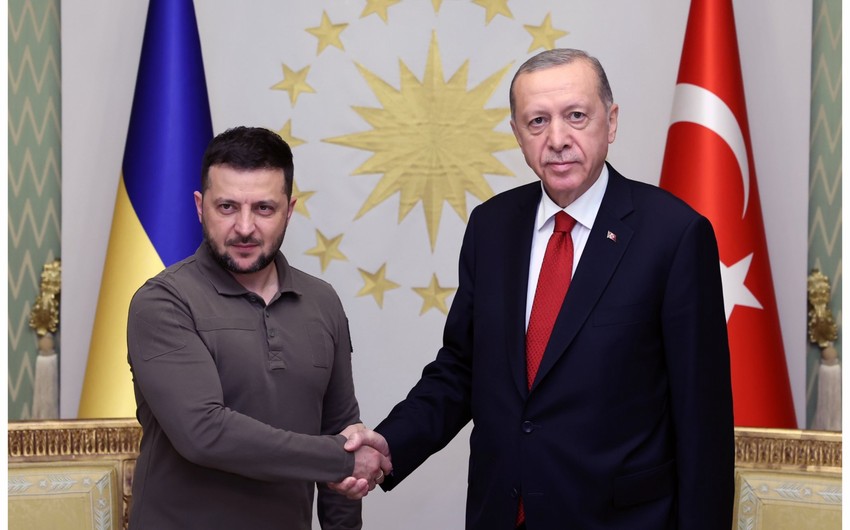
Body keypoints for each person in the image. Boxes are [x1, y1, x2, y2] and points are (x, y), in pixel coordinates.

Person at [336, 48, 735, 528]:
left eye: (576, 116)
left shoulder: (673, 235)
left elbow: (702, 419)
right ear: (517, 134)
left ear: (610, 122)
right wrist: (390, 444)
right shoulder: (491, 227)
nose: (557, 139)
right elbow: (462, 368)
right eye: (538, 121)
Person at [126, 126, 390, 530]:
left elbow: (341, 431)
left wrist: (345, 470)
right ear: (200, 207)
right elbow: (204, 433)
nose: (245, 227)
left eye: (264, 208)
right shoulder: (162, 302)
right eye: (227, 207)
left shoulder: (322, 301)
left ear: (289, 210)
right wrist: (340, 458)